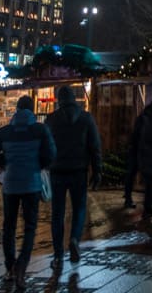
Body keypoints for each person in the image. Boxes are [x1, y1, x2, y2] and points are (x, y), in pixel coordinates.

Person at [0, 95, 55, 291]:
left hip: (10, 184)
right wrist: (37, 165)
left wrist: (4, 164)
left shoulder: (5, 132)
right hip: (31, 183)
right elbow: (51, 154)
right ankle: (22, 266)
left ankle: (10, 266)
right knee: (30, 227)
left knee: (9, 225)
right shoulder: (40, 130)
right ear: (32, 110)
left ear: (16, 109)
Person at [45, 86, 102, 268]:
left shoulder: (51, 119)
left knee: (57, 214)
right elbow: (95, 146)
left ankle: (58, 254)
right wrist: (97, 170)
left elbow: (45, 145)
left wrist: (45, 165)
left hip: (57, 171)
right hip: (79, 170)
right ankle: (75, 239)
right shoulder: (86, 118)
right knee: (79, 209)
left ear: (59, 99)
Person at [123, 105, 144, 210]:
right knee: (132, 175)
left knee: (130, 175)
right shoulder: (145, 121)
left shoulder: (140, 120)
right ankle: (128, 198)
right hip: (137, 153)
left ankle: (127, 197)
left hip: (134, 152)